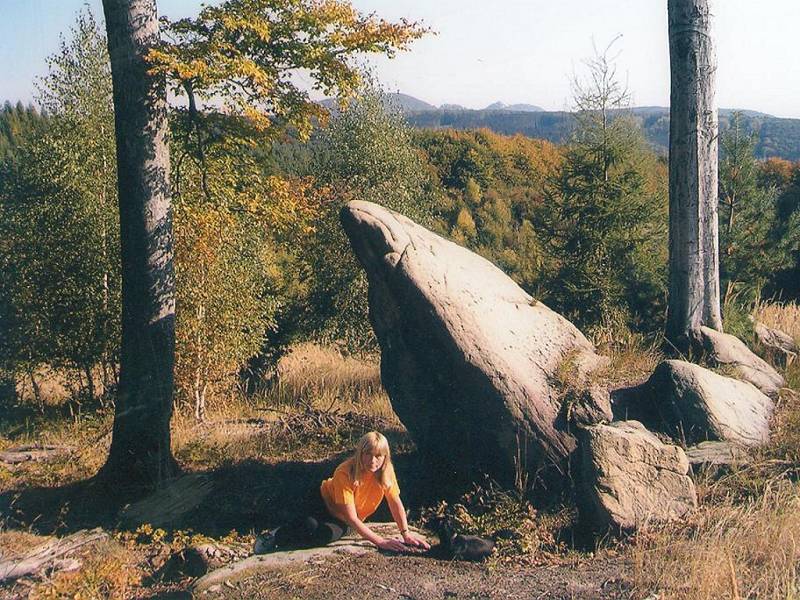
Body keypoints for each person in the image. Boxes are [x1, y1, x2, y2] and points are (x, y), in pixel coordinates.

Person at [256, 431, 430, 554]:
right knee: (308, 524)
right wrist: (380, 542)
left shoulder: (386, 471)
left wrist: (405, 534)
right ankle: (274, 535)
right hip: (320, 502)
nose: (373, 460)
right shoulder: (345, 472)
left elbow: (394, 501)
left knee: (322, 536)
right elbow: (352, 518)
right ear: (360, 453)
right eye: (368, 454)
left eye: (378, 455)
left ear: (385, 457)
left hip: (342, 516)